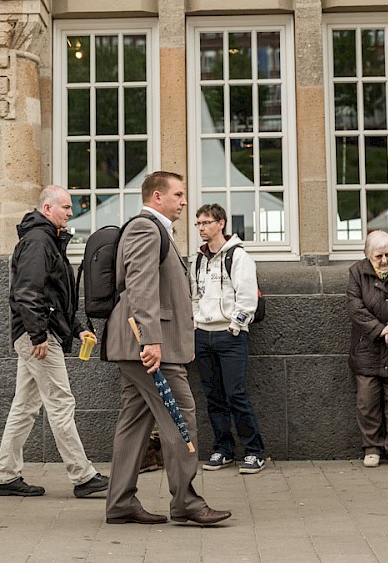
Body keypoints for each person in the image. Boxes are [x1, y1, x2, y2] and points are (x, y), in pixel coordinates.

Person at [104, 171, 231, 526]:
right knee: (181, 416)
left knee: (134, 421)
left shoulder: (156, 230)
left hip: (138, 343)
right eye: (178, 194)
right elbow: (140, 285)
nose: (184, 201)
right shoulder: (147, 228)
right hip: (146, 344)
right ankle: (186, 501)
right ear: (157, 197)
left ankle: (120, 502)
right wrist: (152, 340)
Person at [0, 185, 109, 498]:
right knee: (60, 403)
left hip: (39, 333)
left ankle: (5, 476)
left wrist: (77, 327)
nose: (71, 213)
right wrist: (38, 334)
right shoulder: (39, 240)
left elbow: (55, 294)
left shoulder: (45, 240)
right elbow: (28, 292)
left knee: (25, 407)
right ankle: (83, 476)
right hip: (38, 337)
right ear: (47, 209)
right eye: (66, 207)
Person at [191, 203, 267, 474]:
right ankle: (223, 450)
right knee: (213, 397)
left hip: (230, 336)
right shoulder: (198, 259)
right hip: (203, 334)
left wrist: (234, 327)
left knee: (236, 395)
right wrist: (196, 324)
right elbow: (194, 296)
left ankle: (254, 451)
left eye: (206, 223)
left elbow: (247, 299)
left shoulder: (238, 256)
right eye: (198, 223)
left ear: (220, 223)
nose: (201, 228)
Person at [346, 229, 388, 469]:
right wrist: (381, 330)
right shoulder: (356, 273)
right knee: (367, 402)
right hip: (367, 349)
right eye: (378, 256)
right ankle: (371, 448)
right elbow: (355, 308)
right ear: (368, 256)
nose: (384, 261)